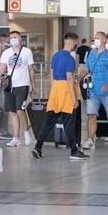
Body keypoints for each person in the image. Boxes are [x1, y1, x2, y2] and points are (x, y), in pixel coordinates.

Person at [32, 33, 88, 161]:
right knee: (69, 123)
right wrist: (74, 99)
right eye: (76, 43)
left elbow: (51, 76)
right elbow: (69, 79)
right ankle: (74, 151)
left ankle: (38, 146)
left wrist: (54, 92)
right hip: (66, 91)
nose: (76, 45)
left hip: (55, 90)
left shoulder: (55, 56)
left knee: (48, 122)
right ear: (73, 42)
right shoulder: (69, 59)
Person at [0, 31, 36, 148]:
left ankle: (26, 131)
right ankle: (16, 138)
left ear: (20, 40)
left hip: (23, 85)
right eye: (11, 37)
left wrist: (33, 85)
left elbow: (31, 69)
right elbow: (1, 69)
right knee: (12, 112)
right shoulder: (6, 53)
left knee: (20, 110)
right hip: (9, 85)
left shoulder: (27, 52)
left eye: (15, 37)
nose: (13, 39)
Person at [80, 32, 108, 149]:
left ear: (104, 40)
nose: (95, 40)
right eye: (94, 38)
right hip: (93, 91)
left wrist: (107, 85)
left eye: (97, 38)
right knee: (91, 115)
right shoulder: (91, 54)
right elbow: (86, 69)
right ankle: (90, 139)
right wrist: (78, 78)